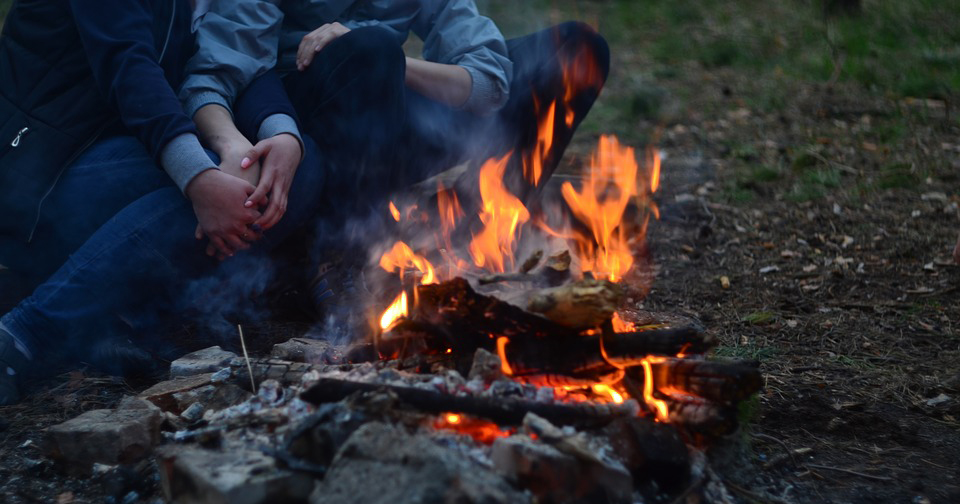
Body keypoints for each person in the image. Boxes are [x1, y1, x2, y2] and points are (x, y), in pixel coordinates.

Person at [0, 0, 327, 405]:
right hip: (38, 169)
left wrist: (279, 132)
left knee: (295, 167)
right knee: (213, 180)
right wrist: (199, 177)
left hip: (126, 151)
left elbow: (231, 60)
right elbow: (128, 64)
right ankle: (24, 333)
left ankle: (117, 314)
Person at [182, 0, 610, 218]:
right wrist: (229, 149)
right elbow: (210, 79)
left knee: (577, 51)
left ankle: (469, 224)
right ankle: (339, 253)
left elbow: (490, 84)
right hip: (308, 140)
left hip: (388, 126)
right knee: (371, 50)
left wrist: (399, 65)